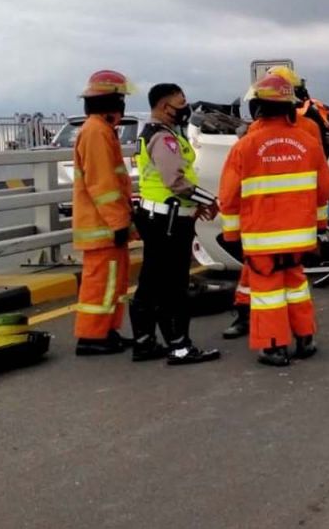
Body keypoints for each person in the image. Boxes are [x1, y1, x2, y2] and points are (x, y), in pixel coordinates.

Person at [218, 74, 329, 367]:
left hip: (262, 237)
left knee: (267, 293)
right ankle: (305, 339)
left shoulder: (245, 146)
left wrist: (232, 235)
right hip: (299, 237)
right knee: (296, 286)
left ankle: (274, 347)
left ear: (257, 107)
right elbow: (324, 190)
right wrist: (318, 227)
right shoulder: (308, 142)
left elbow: (229, 196)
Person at [130, 84, 221, 365]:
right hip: (167, 221)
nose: (185, 108)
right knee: (174, 285)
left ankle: (144, 342)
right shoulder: (163, 138)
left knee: (151, 282)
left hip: (158, 216)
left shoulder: (155, 133)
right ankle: (180, 346)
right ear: (163, 106)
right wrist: (208, 200)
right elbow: (176, 181)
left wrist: (194, 206)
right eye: (180, 103)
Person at [72, 70, 136, 356]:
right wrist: (119, 221)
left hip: (105, 226)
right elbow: (103, 184)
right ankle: (92, 337)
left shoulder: (100, 129)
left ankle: (106, 331)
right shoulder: (96, 132)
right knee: (101, 283)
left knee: (112, 282)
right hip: (103, 226)